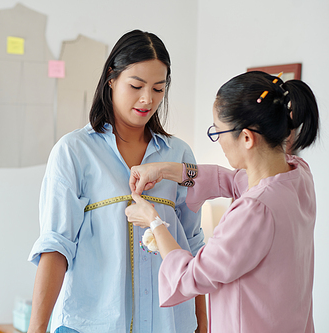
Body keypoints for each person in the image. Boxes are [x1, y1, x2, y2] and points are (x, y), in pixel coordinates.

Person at [28, 30, 207, 333]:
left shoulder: (180, 155)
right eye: (136, 85)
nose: (147, 99)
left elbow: (193, 245)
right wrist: (37, 328)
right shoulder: (74, 152)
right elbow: (56, 245)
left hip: (169, 324)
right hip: (90, 323)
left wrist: (202, 324)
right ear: (111, 78)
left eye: (159, 89)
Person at [126, 71, 319, 333]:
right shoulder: (297, 176)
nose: (219, 141)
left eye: (218, 132)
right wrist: (166, 170)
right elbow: (232, 181)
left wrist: (153, 220)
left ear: (247, 138)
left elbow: (190, 275)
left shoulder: (255, 211)